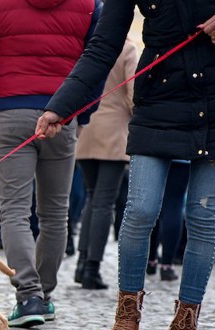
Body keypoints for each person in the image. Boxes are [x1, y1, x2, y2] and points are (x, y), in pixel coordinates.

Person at [36, 5, 215, 330]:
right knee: (140, 209)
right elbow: (102, 47)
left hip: (214, 107)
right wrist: (61, 106)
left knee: (203, 218)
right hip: (156, 104)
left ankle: (186, 327)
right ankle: (126, 317)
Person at [0, 0, 102, 328]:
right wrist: (82, 113)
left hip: (10, 112)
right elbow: (98, 61)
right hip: (63, 112)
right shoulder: (90, 4)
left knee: (14, 210)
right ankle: (44, 295)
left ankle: (29, 296)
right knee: (55, 212)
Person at [73, 37, 139, 290]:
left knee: (92, 197)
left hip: (87, 128)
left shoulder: (89, 43)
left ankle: (81, 263)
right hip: (114, 130)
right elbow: (134, 91)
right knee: (103, 201)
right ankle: (92, 267)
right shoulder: (127, 46)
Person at [146, 161, 190, 281]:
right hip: (182, 153)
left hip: (155, 150)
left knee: (154, 203)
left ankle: (151, 261)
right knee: (174, 204)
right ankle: (167, 266)